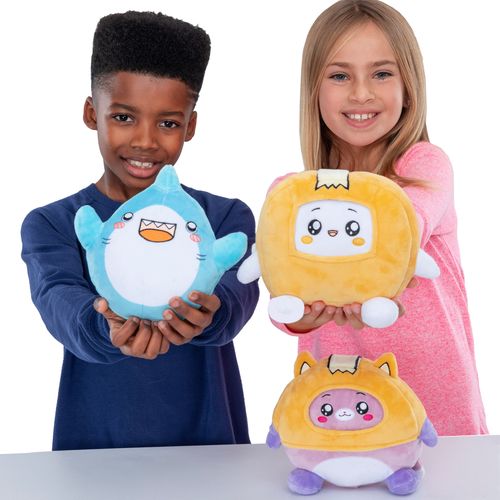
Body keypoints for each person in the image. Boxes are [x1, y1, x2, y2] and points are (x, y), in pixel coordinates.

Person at [21, 11, 259, 451]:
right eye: (124, 117)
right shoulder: (54, 223)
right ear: (92, 113)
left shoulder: (227, 220)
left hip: (210, 452)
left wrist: (211, 315)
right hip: (93, 456)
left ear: (190, 126)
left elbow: (239, 296)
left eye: (168, 123)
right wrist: (103, 325)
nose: (145, 141)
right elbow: (59, 300)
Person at [274, 0, 487, 436]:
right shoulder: (296, 194)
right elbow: (283, 293)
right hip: (338, 410)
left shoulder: (424, 167)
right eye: (340, 76)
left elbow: (399, 232)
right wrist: (300, 314)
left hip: (437, 411)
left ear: (409, 87)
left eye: (382, 74)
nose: (361, 93)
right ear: (314, 90)